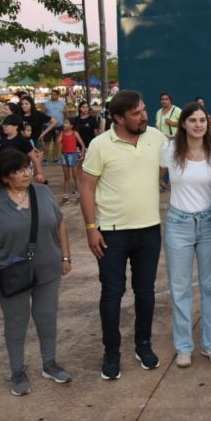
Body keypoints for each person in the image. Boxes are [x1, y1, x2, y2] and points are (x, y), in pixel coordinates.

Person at [79, 90, 168, 380]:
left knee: (146, 292)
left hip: (149, 230)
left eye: (144, 110)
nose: (143, 116)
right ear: (118, 118)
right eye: (136, 113)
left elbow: (184, 155)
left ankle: (143, 345)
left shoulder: (156, 137)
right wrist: (92, 229)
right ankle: (112, 352)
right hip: (111, 234)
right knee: (112, 293)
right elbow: (87, 188)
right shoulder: (99, 145)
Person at [0, 148, 73, 396]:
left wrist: (65, 256)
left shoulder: (42, 192)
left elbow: (60, 224)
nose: (26, 173)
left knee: (46, 316)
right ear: (6, 177)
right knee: (16, 322)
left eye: (27, 167)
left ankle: (49, 363)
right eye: (18, 170)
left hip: (48, 266)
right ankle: (17, 370)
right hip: (11, 272)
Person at [160, 102, 211, 368]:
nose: (198, 125)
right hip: (178, 223)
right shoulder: (169, 150)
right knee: (180, 288)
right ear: (183, 124)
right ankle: (184, 346)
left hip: (210, 223)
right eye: (193, 120)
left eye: (202, 120)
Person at [0, 115, 46, 183]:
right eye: (3, 125)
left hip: (20, 173)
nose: (4, 127)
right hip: (5, 172)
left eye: (7, 125)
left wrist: (39, 173)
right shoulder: (2, 140)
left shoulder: (22, 141)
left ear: (16, 126)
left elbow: (34, 158)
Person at [18, 96, 54, 164]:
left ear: (31, 104)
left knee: (37, 165)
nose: (24, 106)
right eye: (22, 104)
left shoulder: (38, 114)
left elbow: (54, 121)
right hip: (23, 142)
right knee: (24, 165)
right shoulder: (19, 116)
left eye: (26, 104)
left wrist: (43, 134)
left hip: (36, 142)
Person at [42, 90, 67, 164]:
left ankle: (55, 158)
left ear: (58, 95)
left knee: (57, 143)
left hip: (59, 126)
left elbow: (65, 114)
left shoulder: (63, 103)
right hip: (48, 126)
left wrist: (65, 124)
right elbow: (43, 114)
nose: (53, 96)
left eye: (55, 94)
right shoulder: (46, 103)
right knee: (46, 143)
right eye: (52, 94)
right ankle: (45, 159)